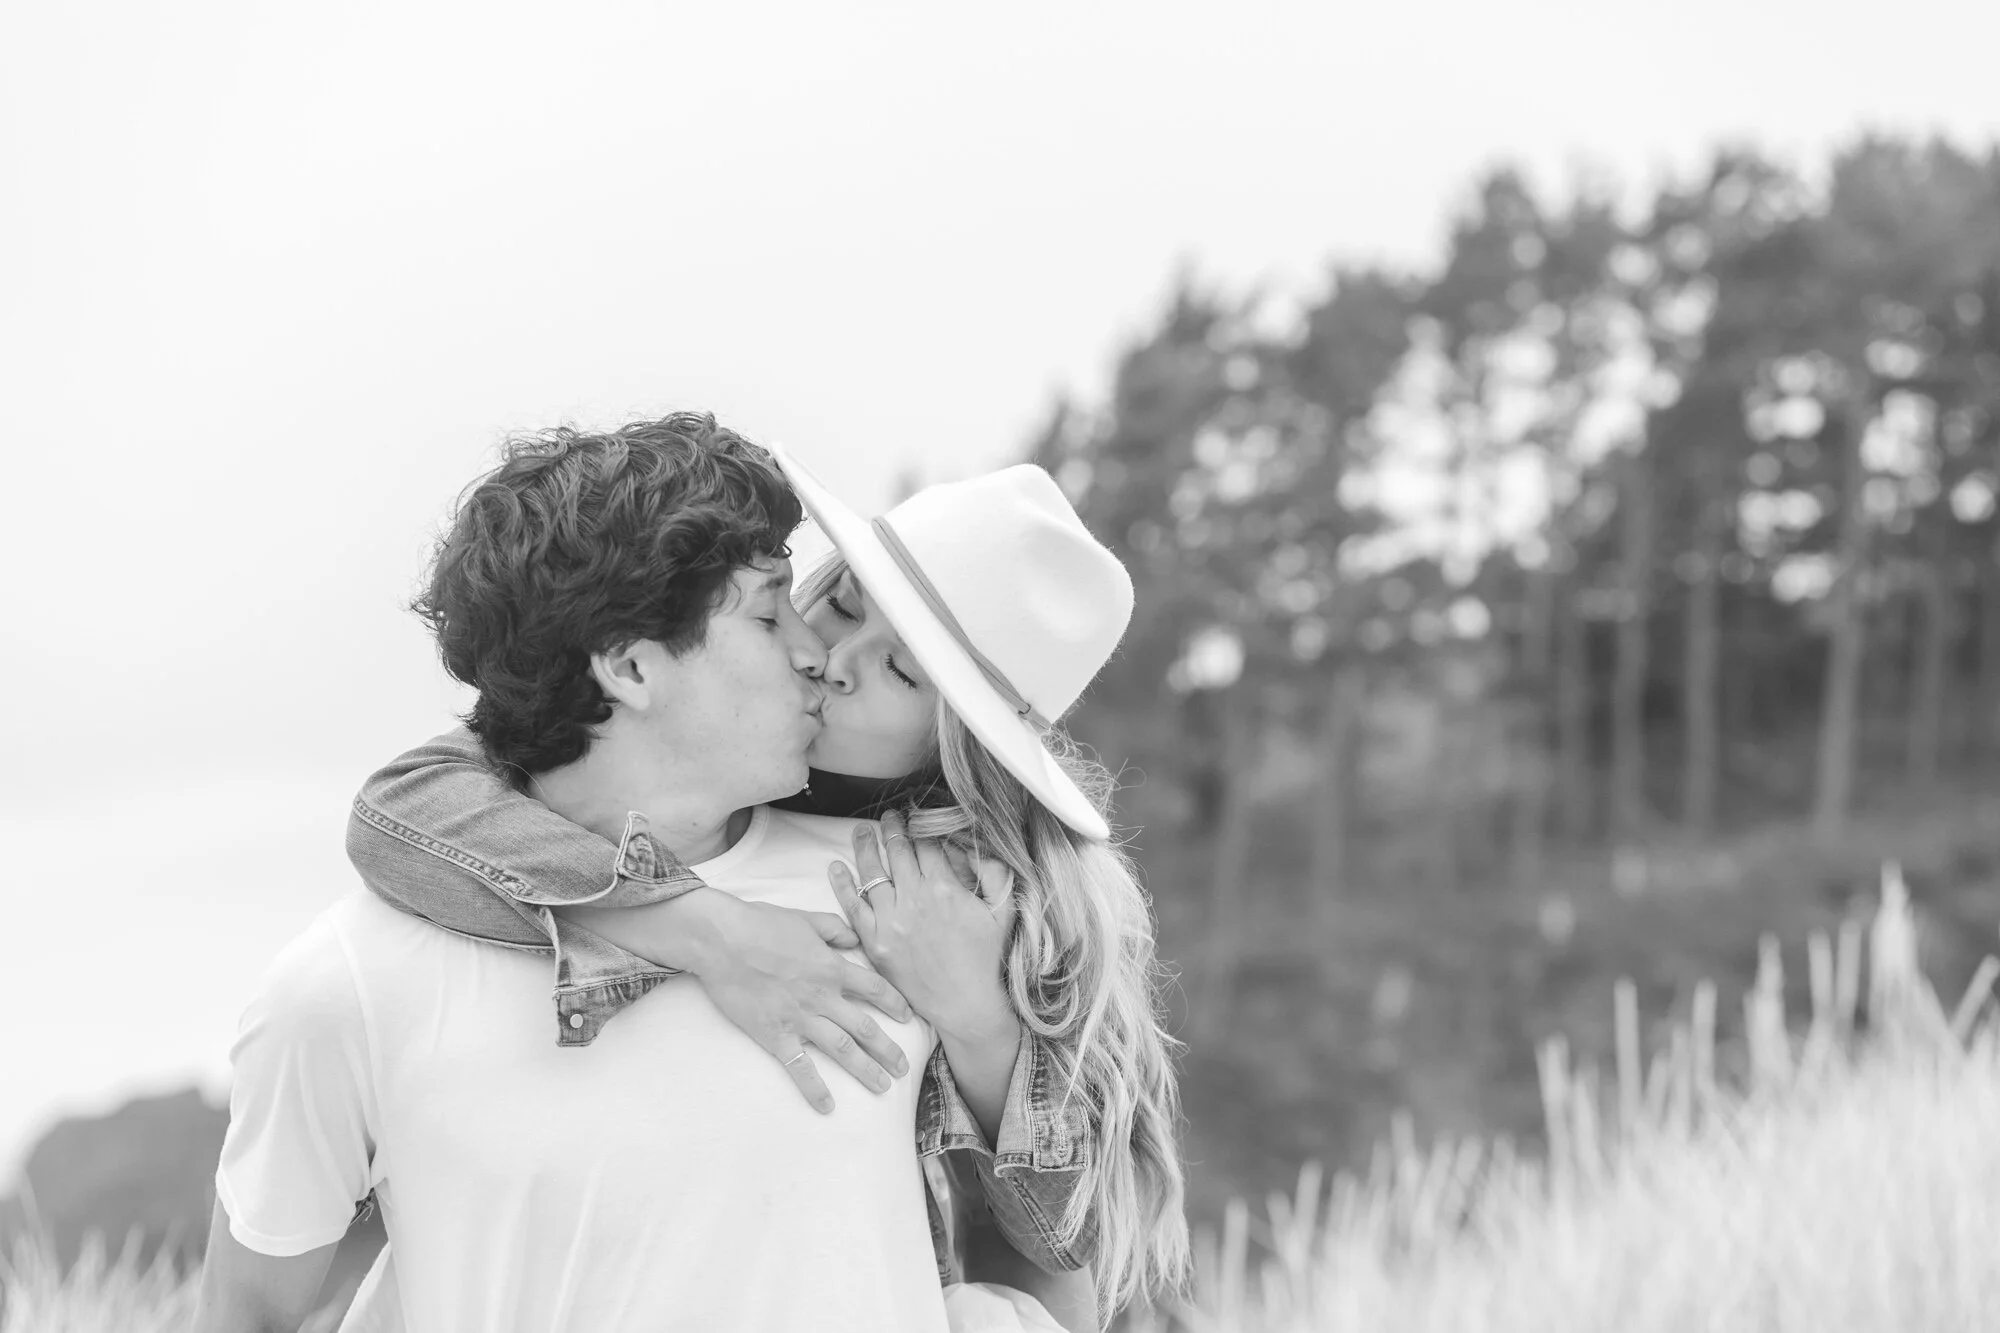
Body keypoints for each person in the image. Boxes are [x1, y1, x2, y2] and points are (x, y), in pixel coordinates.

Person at [334, 442, 1191, 1327]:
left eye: (900, 671)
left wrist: (980, 1023)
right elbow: (405, 803)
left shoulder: (984, 897)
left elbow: (1072, 1245)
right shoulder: (671, 762)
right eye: (842, 604)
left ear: (960, 744)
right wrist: (709, 928)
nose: (835, 658)